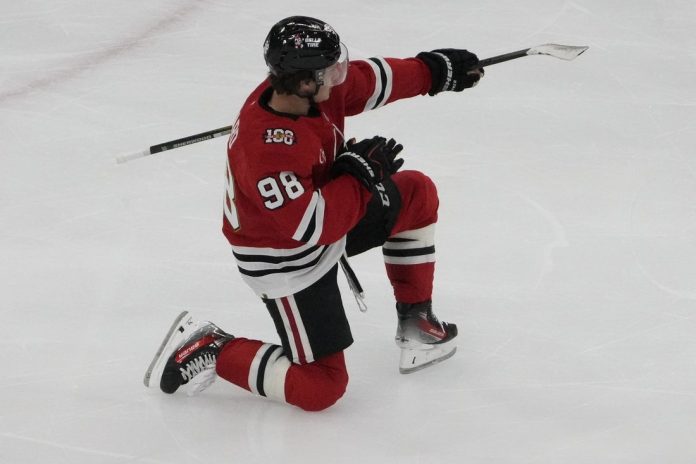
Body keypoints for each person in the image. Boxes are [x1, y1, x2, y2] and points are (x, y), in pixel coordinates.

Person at [144, 16, 484, 411]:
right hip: (286, 260)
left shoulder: (309, 92)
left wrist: (434, 72)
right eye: (331, 70)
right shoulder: (268, 148)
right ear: (306, 82)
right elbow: (312, 226)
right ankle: (213, 348)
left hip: (321, 221)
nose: (340, 75)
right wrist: (358, 176)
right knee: (322, 387)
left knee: (416, 195)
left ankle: (417, 322)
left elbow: (370, 80)